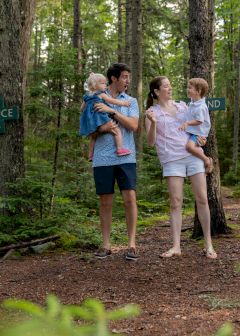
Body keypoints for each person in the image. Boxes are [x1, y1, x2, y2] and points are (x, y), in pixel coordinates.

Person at [145, 76, 217, 259]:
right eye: (166, 86)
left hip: (192, 156)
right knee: (176, 202)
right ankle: (176, 246)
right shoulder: (151, 112)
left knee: (202, 199)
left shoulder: (183, 106)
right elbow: (150, 142)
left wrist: (202, 138)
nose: (170, 88)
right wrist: (153, 123)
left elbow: (198, 125)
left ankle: (208, 244)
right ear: (156, 91)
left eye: (170, 86)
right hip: (171, 159)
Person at [91, 63, 139, 261]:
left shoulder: (131, 101)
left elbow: (133, 126)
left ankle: (132, 244)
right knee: (105, 202)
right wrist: (102, 128)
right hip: (102, 159)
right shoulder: (95, 99)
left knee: (130, 198)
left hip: (126, 157)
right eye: (125, 77)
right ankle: (105, 244)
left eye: (128, 77)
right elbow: (89, 129)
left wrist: (113, 111)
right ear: (114, 79)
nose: (128, 81)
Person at [79, 72, 132, 161]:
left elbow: (81, 108)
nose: (105, 85)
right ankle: (120, 149)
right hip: (101, 119)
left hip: (90, 122)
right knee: (117, 130)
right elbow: (112, 101)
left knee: (93, 137)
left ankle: (90, 155)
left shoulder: (86, 96)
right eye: (102, 83)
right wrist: (124, 103)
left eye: (105, 83)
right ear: (95, 85)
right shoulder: (100, 94)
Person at [179, 77, 214, 174]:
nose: (188, 89)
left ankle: (206, 160)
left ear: (198, 91)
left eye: (190, 88)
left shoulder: (201, 107)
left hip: (198, 133)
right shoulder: (193, 102)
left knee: (189, 147)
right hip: (193, 131)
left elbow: (199, 121)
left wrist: (187, 123)